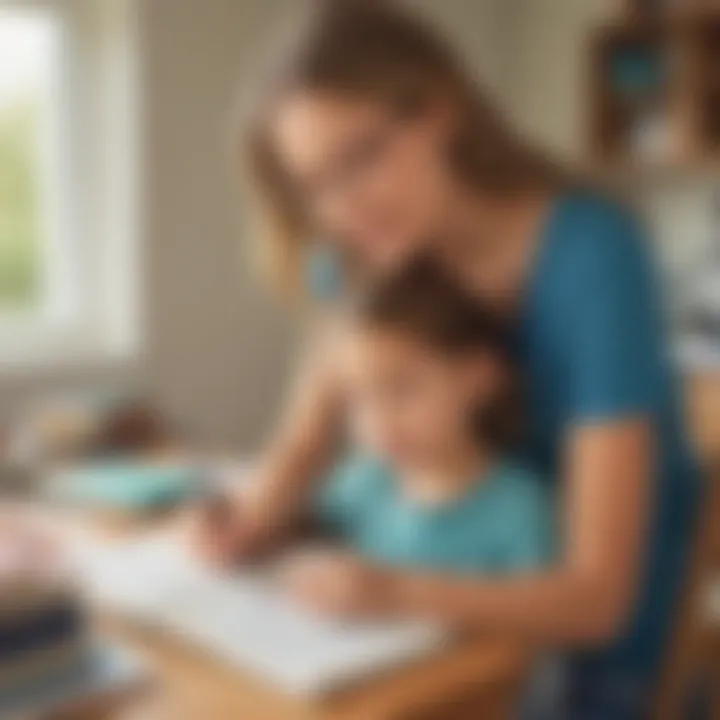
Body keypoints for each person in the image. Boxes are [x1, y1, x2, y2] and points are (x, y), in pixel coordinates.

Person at [194, 1, 701, 717]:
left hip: (577, 655)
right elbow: (303, 441)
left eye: (361, 158)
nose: (345, 210)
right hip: (426, 621)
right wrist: (243, 525)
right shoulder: (358, 258)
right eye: (313, 188)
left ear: (439, 110)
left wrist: (396, 592)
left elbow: (600, 601)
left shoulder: (592, 258)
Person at [279, 256, 554, 603]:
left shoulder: (519, 510)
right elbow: (299, 536)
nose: (379, 421)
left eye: (402, 388)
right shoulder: (364, 482)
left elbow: (535, 635)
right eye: (357, 397)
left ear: (478, 378)